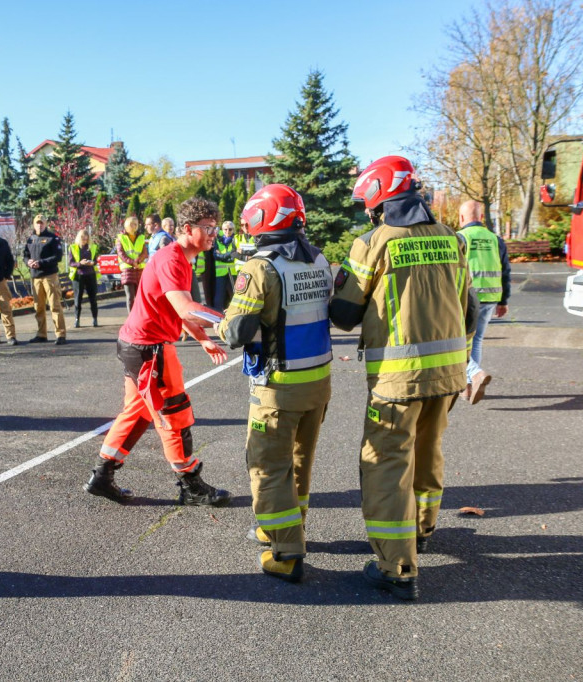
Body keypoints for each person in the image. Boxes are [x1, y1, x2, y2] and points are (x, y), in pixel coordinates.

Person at [328, 156, 477, 601]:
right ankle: (423, 530)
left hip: (397, 378)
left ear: (379, 198)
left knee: (387, 464)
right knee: (428, 448)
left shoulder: (374, 242)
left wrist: (336, 285)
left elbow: (346, 314)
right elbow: (468, 309)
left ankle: (396, 567)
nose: (366, 212)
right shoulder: (452, 238)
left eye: (367, 203)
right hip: (449, 372)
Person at [217, 185, 332, 583]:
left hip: (278, 386)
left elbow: (235, 333)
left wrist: (221, 319)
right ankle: (289, 525)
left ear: (262, 220)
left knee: (267, 466)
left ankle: (284, 552)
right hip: (318, 382)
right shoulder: (318, 259)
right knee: (300, 461)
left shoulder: (260, 268)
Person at [85, 197, 232, 507]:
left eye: (215, 228)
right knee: (173, 414)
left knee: (137, 412)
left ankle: (102, 475)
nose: (213, 234)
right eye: (207, 228)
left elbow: (176, 309)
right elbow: (186, 307)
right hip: (150, 349)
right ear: (188, 228)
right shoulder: (173, 259)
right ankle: (190, 483)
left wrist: (202, 338)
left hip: (136, 345)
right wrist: (228, 320)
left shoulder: (178, 257)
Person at [458, 200, 511, 403]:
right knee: (477, 340)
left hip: (467, 298)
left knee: (458, 343)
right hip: (490, 297)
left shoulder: (461, 237)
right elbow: (505, 271)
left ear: (462, 218)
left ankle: (474, 375)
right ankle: (469, 386)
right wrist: (503, 301)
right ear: (480, 217)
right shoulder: (495, 239)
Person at [23, 215, 67, 345]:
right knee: (39, 307)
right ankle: (41, 334)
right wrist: (28, 262)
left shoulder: (52, 238)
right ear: (34, 224)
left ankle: (60, 334)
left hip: (49, 276)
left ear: (45, 224)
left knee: (54, 305)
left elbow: (58, 257)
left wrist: (41, 263)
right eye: (37, 223)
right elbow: (25, 255)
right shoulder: (31, 239)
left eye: (41, 223)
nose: (39, 225)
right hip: (36, 277)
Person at [68, 229, 100, 328]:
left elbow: (96, 260)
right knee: (78, 299)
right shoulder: (73, 247)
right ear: (79, 238)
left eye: (86, 239)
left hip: (90, 274)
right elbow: (71, 262)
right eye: (83, 239)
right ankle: (77, 319)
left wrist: (92, 263)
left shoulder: (92, 247)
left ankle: (95, 319)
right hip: (79, 275)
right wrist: (80, 263)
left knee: (93, 298)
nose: (85, 241)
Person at [116, 216, 147, 311]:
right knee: (130, 297)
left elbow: (144, 252)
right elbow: (121, 254)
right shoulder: (120, 238)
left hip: (139, 269)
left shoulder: (141, 237)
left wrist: (139, 261)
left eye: (136, 224)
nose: (134, 226)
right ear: (126, 225)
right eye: (131, 224)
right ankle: (131, 317)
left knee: (140, 296)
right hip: (127, 270)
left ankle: (139, 316)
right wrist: (133, 262)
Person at [212, 221, 239, 310]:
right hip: (220, 273)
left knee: (235, 296)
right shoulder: (218, 240)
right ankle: (218, 316)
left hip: (233, 272)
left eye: (230, 229)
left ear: (233, 229)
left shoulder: (236, 239)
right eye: (225, 229)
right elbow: (216, 256)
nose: (227, 231)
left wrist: (223, 256)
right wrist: (230, 254)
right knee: (219, 297)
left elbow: (234, 256)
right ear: (222, 230)